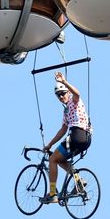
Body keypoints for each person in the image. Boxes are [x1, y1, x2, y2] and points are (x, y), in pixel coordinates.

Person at [41, 72, 92, 204]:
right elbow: (62, 130)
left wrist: (64, 82)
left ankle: (52, 193)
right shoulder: (66, 111)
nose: (61, 96)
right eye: (58, 95)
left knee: (52, 159)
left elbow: (77, 94)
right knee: (60, 160)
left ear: (68, 93)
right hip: (85, 139)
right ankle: (79, 182)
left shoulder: (73, 101)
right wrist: (49, 145)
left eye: (63, 93)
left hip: (77, 135)